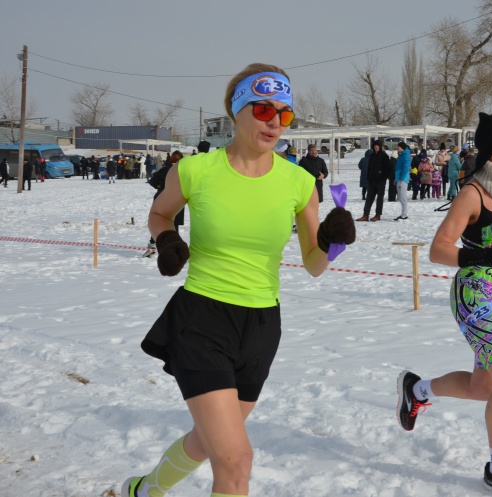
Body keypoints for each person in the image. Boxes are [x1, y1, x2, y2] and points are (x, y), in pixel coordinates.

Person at [122, 63, 356, 497]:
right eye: (264, 110)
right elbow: (159, 212)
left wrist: (332, 242)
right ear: (237, 110)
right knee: (236, 461)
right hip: (202, 319)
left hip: (262, 326)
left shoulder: (300, 181)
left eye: (284, 114)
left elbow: (313, 263)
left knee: (207, 442)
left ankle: (144, 490)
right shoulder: (195, 170)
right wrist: (166, 238)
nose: (275, 122)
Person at [396, 108, 492, 497]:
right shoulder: (473, 194)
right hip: (475, 294)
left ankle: (417, 391)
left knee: (485, 387)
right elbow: (438, 249)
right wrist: (478, 255)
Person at [357, 140, 390, 222]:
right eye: (375, 146)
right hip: (371, 181)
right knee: (369, 198)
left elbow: (387, 168)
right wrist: (369, 177)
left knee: (379, 198)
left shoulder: (384, 155)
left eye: (377, 146)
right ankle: (365, 215)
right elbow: (369, 168)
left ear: (380, 146)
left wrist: (383, 177)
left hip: (380, 181)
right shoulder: (371, 156)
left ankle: (378, 214)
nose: (376, 147)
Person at [394, 142, 411, 220]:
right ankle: (403, 214)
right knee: (400, 197)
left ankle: (404, 215)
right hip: (399, 178)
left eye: (399, 147)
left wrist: (401, 178)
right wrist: (396, 179)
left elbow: (405, 168)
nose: (397, 148)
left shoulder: (406, 156)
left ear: (402, 147)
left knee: (403, 197)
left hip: (403, 179)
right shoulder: (401, 155)